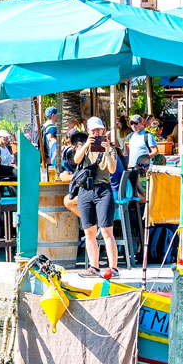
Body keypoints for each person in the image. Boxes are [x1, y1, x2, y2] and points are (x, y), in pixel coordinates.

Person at [68, 117, 119, 275]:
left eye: (99, 130)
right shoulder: (83, 147)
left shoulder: (110, 149)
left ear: (103, 130)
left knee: (106, 230)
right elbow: (76, 160)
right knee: (89, 231)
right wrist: (86, 145)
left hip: (103, 190)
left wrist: (108, 150)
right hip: (85, 191)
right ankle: (94, 266)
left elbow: (112, 170)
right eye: (93, 130)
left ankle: (113, 267)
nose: (97, 133)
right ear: (88, 131)